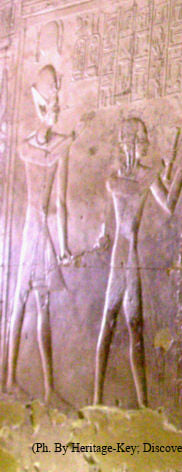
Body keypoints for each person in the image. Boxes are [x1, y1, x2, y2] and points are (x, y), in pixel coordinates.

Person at [93, 116, 182, 407]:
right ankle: (97, 398)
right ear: (129, 142)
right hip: (120, 256)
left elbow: (169, 205)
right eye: (141, 140)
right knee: (109, 322)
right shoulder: (119, 179)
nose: (145, 146)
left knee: (135, 326)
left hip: (130, 255)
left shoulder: (144, 176)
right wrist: (161, 169)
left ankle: (143, 403)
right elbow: (124, 194)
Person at [6, 65, 76, 404]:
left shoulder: (38, 146)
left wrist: (62, 247)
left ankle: (44, 387)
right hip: (35, 230)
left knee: (34, 302)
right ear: (41, 106)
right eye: (54, 105)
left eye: (59, 105)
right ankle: (12, 380)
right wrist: (62, 247)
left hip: (35, 229)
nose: (58, 111)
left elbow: (60, 204)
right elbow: (58, 204)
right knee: (24, 300)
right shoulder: (54, 147)